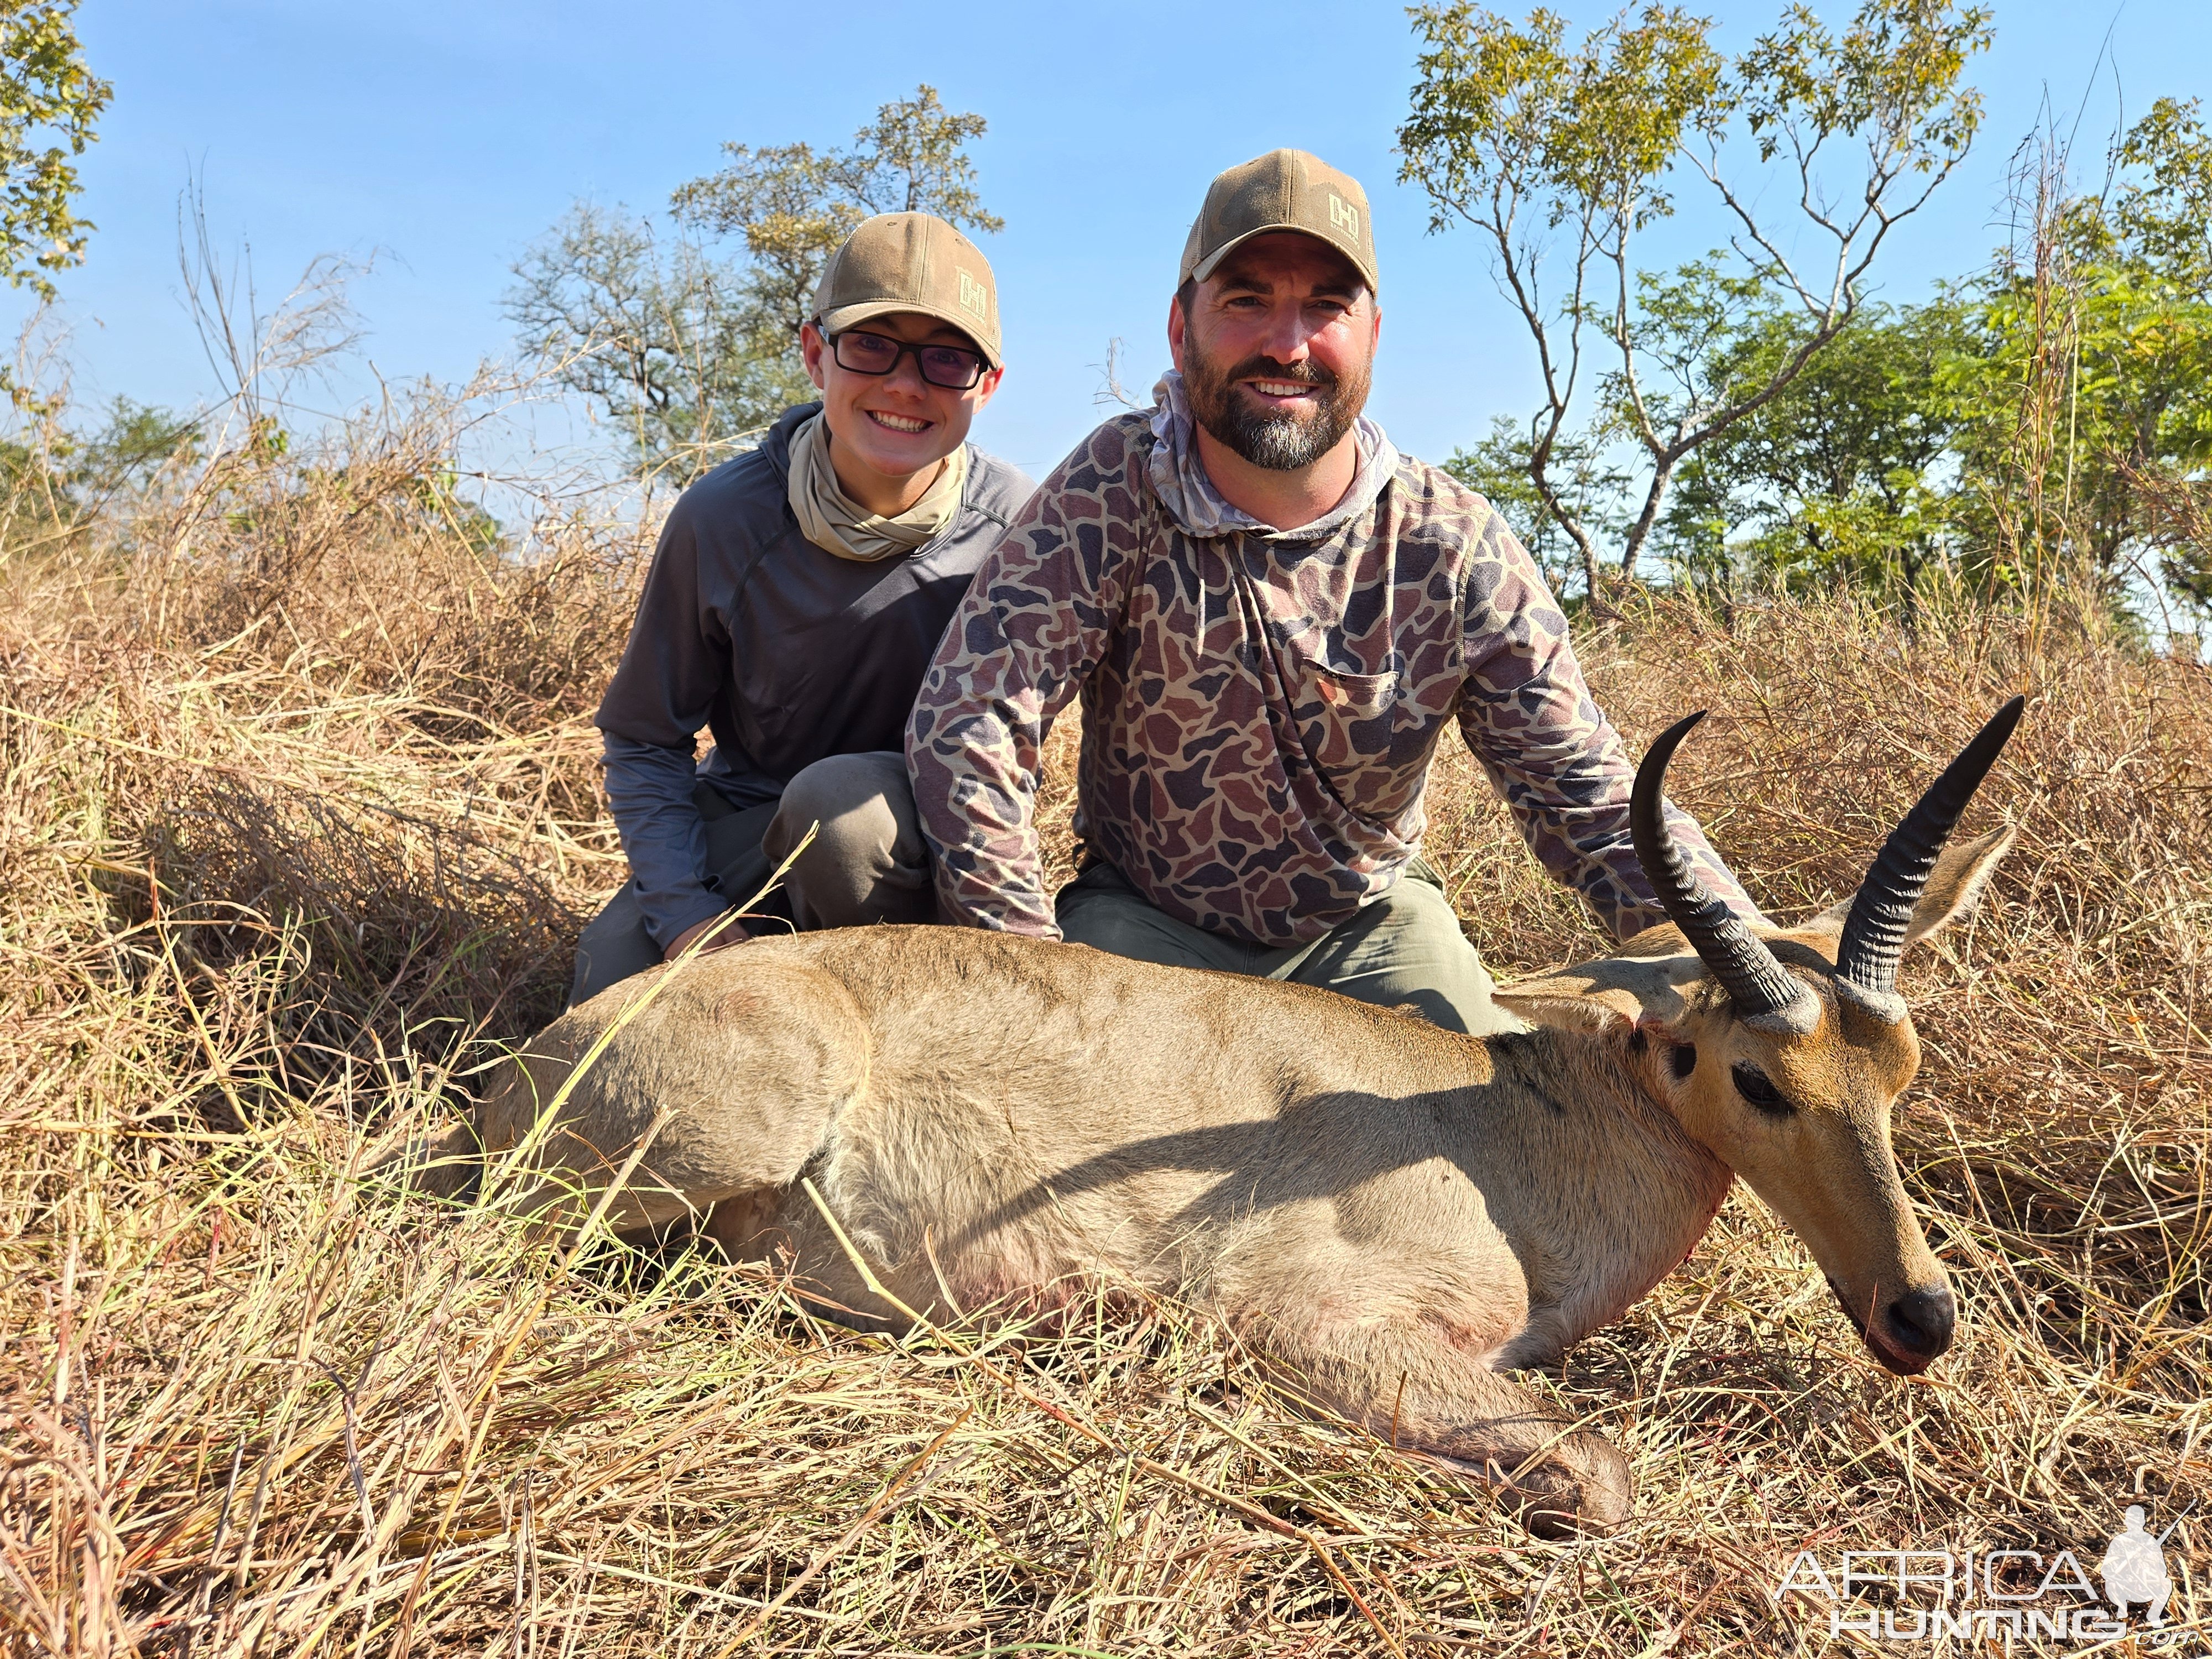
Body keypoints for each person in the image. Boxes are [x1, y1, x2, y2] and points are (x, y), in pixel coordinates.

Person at [906, 149, 1755, 1034]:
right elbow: (971, 724)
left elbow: (1585, 794)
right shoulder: (1113, 488)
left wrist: (1748, 954)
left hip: (1371, 926)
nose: (1287, 343)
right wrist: (1029, 981)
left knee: (1497, 1125)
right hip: (1147, 921)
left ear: (1373, 336)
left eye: (1326, 306)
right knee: (1070, 1119)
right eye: (1245, 301)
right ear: (1179, 326)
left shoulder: (1453, 543)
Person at [572, 211, 1033, 1006]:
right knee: (606, 995)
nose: (905, 383)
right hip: (749, 817)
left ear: (987, 386)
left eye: (946, 359)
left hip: (918, 844)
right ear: (816, 353)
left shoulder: (1024, 531)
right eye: (872, 346)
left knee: (842, 816)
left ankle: (879, 1011)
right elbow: (646, 739)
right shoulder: (725, 517)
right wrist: (689, 922)